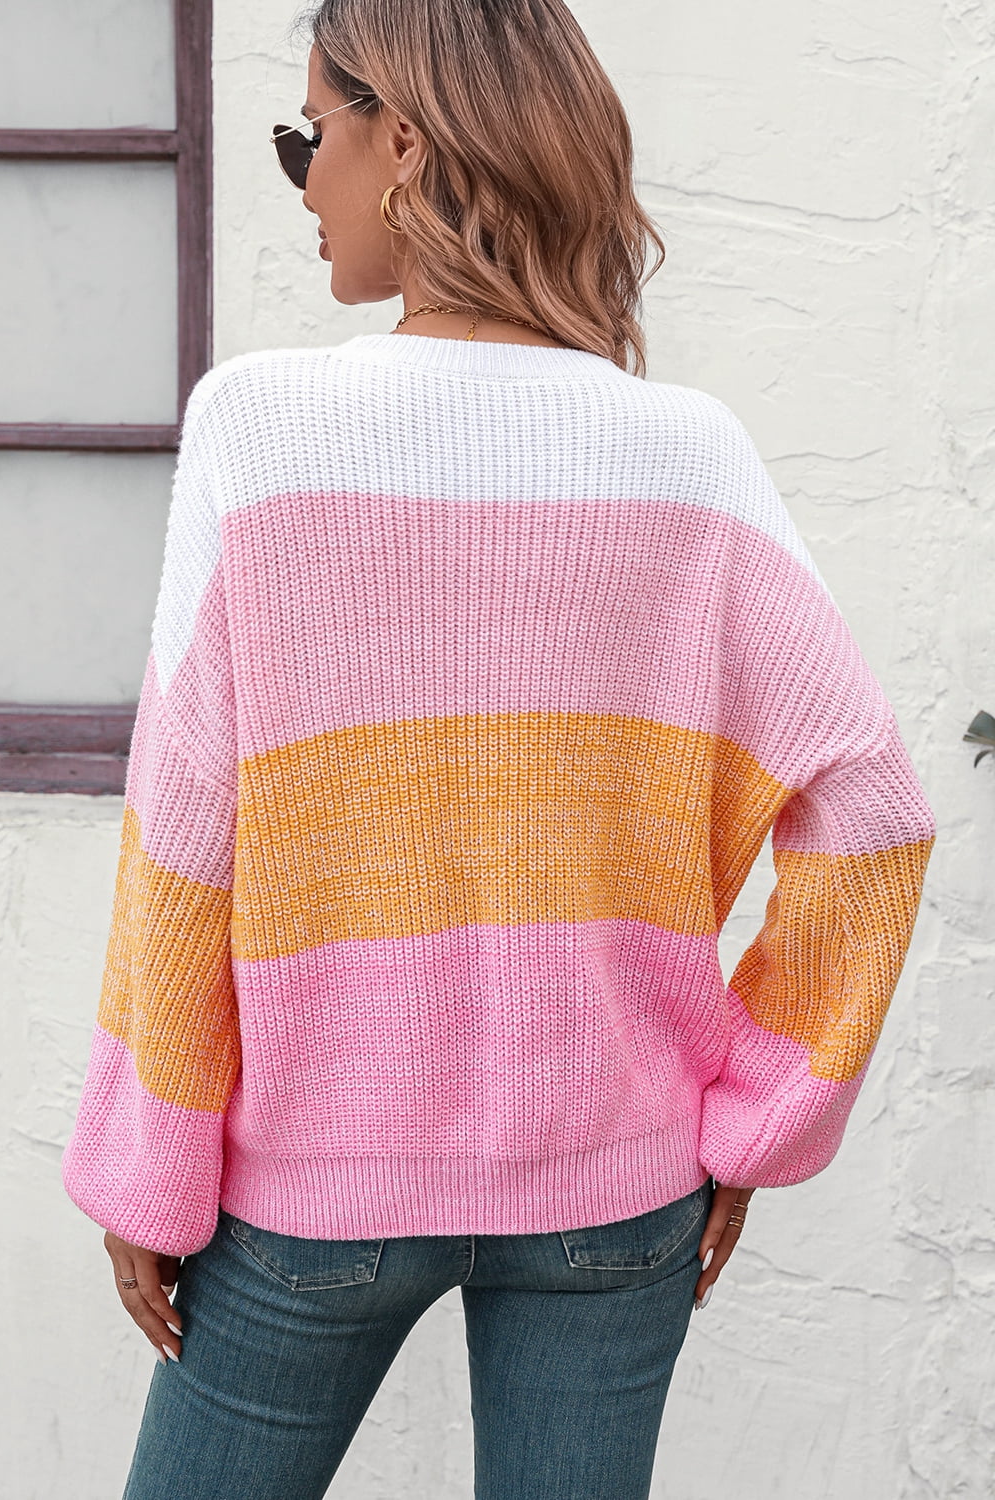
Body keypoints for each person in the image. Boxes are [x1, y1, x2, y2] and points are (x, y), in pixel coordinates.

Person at [60, 1, 937, 1496]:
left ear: (402, 139)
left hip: (317, 1191)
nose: (305, 178)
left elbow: (189, 831)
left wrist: (154, 1162)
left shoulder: (261, 433)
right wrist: (756, 1112)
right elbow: (874, 812)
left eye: (309, 134)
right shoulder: (690, 457)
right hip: (619, 1193)